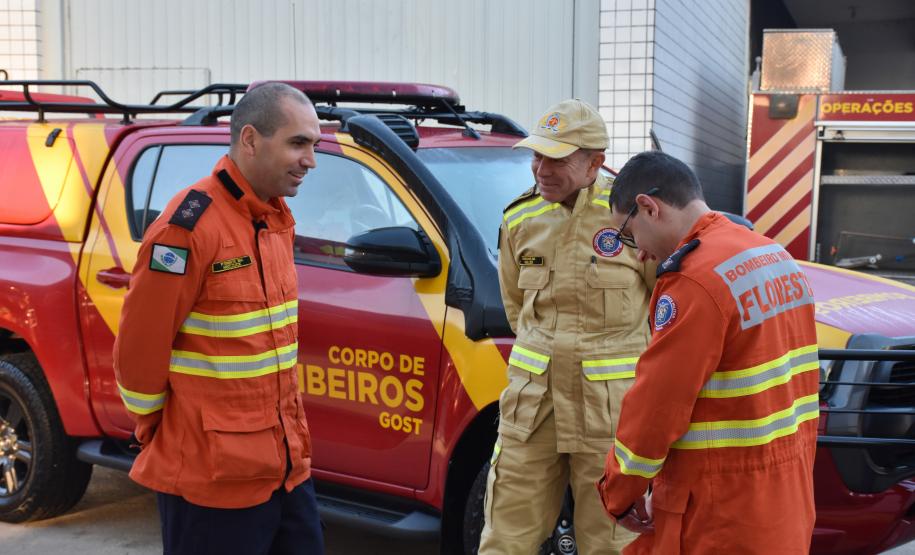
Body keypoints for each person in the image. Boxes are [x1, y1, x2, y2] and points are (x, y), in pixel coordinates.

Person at [113, 82, 324, 555]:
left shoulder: (274, 219)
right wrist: (161, 433)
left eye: (313, 145)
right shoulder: (187, 227)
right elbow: (139, 351)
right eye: (298, 143)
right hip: (210, 480)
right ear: (250, 140)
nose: (310, 159)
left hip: (286, 471)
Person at [597, 151, 819, 554]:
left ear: (648, 207)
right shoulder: (773, 255)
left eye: (628, 236)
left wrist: (618, 492)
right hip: (785, 499)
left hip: (718, 513)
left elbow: (656, 408)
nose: (639, 254)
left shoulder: (694, 281)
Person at [480, 99, 656, 555]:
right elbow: (518, 311)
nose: (541, 169)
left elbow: (664, 311)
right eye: (537, 155)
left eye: (556, 158)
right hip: (532, 409)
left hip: (609, 417)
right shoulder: (519, 218)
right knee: (505, 537)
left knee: (612, 543)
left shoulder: (632, 218)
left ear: (595, 162)